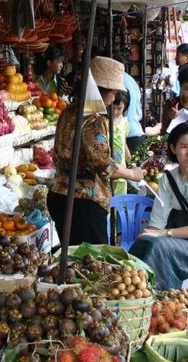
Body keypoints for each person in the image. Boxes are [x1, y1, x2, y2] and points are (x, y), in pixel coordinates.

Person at [48, 56, 146, 244]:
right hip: (83, 202)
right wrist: (133, 174)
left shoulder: (70, 111)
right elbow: (103, 164)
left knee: (72, 261)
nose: (113, 99)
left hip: (59, 194)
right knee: (90, 263)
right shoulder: (93, 119)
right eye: (113, 93)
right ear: (102, 91)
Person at [129, 122, 188, 290]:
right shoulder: (167, 179)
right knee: (144, 243)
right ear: (173, 148)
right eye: (184, 147)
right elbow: (157, 221)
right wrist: (149, 234)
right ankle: (133, 290)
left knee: (159, 246)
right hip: (176, 241)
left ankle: (155, 296)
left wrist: (162, 233)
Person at [121, 62, 146, 154]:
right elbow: (139, 114)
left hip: (126, 138)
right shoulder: (130, 79)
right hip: (137, 134)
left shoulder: (116, 80)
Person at [111, 90, 131, 195]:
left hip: (122, 170)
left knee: (120, 203)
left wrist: (130, 160)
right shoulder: (104, 122)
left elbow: (124, 142)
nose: (115, 112)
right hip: (109, 170)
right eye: (112, 108)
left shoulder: (124, 122)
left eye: (119, 109)